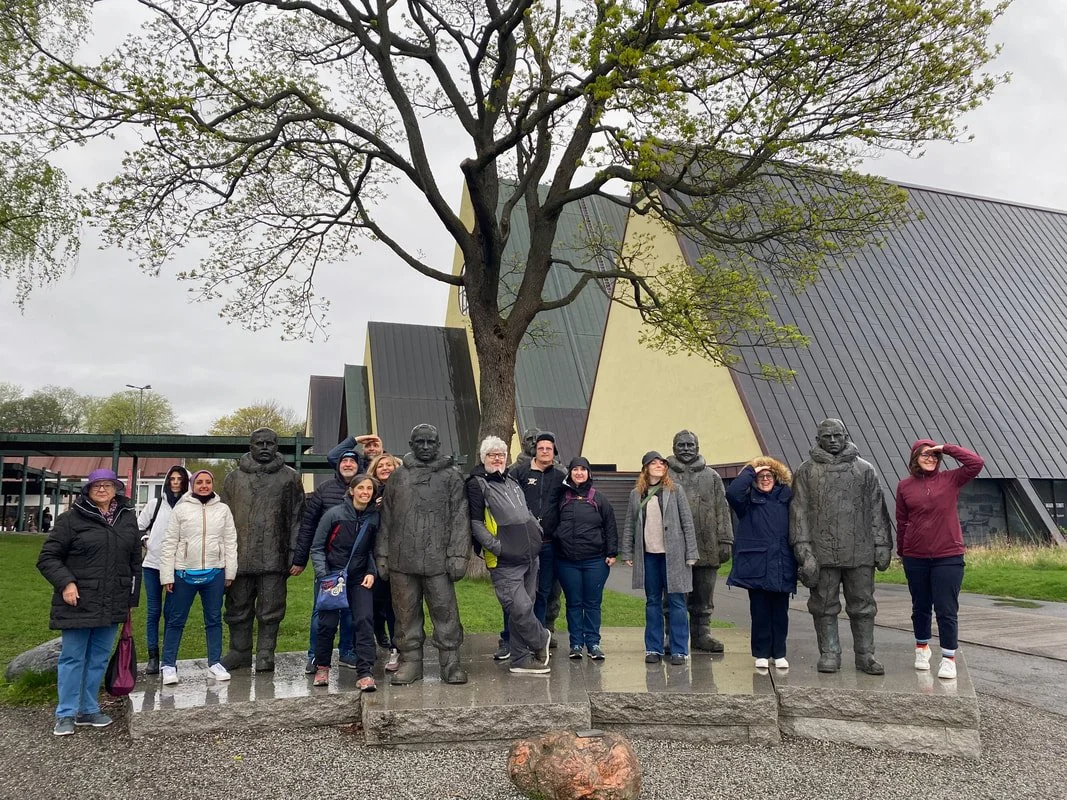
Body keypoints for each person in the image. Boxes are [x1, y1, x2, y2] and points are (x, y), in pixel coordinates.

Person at [37, 469, 142, 736]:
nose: (102, 490)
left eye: (108, 485)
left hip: (113, 600)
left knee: (98, 657)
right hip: (78, 600)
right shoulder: (71, 520)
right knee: (73, 657)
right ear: (88, 490)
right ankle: (66, 712)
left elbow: (134, 563)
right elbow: (48, 558)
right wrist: (66, 583)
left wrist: (131, 598)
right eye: (97, 485)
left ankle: (89, 707)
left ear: (116, 489)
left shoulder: (127, 519)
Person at [790, 418, 893, 675]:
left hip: (860, 550)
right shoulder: (806, 471)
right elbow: (798, 512)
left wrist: (882, 544)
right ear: (818, 440)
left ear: (846, 436)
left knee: (863, 604)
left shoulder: (864, 469)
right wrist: (803, 549)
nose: (833, 440)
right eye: (828, 437)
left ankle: (865, 654)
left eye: (838, 435)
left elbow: (877, 509)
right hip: (822, 552)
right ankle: (829, 653)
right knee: (823, 605)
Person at [376, 424, 471, 685]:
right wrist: (382, 554)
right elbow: (386, 519)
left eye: (431, 442)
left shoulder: (452, 478)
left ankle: (450, 663)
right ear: (411, 444)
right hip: (401, 560)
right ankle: (411, 663)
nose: (426, 447)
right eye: (420, 442)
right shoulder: (397, 477)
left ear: (438, 444)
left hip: (439, 561)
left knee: (445, 611)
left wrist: (459, 555)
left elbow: (461, 518)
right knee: (405, 614)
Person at [896, 440, 984, 680]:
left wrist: (945, 448)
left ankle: (948, 658)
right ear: (914, 458)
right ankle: (922, 648)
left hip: (948, 556)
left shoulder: (951, 479)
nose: (930, 458)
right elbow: (902, 521)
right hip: (915, 556)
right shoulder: (904, 486)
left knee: (946, 609)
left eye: (934, 456)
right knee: (920, 606)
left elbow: (976, 463)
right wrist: (901, 551)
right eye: (925, 454)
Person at [219, 428, 305, 672]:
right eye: (260, 443)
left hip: (274, 556)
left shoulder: (290, 478)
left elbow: (297, 518)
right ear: (251, 446)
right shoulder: (233, 479)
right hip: (239, 556)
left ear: (277, 446)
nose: (265, 447)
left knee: (271, 608)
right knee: (237, 608)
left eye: (270, 443)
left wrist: (294, 553)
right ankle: (239, 651)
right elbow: (222, 519)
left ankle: (266, 653)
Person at [468, 436, 551, 675]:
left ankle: (521, 659)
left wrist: (537, 531)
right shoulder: (477, 483)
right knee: (519, 607)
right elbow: (475, 523)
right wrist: (497, 548)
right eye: (492, 454)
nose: (497, 458)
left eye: (501, 454)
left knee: (525, 607)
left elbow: (525, 512)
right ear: (483, 458)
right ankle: (540, 638)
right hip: (504, 559)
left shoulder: (512, 480)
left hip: (530, 555)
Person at [158, 470, 238, 685]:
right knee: (175, 621)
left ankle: (214, 662)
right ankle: (168, 664)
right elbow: (169, 543)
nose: (204, 485)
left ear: (213, 484)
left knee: (213, 620)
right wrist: (167, 575)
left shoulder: (223, 510)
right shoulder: (181, 509)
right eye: (199, 482)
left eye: (208, 482)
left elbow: (230, 542)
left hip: (214, 573)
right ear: (192, 484)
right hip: (183, 573)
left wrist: (229, 572)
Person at [620, 451, 699, 666]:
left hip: (673, 556)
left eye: (661, 463)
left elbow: (687, 522)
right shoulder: (636, 494)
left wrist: (691, 552)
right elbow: (629, 524)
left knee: (677, 602)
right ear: (645, 468)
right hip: (649, 557)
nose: (658, 466)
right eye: (653, 463)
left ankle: (679, 649)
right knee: (652, 602)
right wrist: (627, 551)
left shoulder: (675, 491)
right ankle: (653, 648)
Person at [291, 449, 362, 674]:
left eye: (353, 461)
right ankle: (315, 655)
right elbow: (309, 527)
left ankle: (347, 651)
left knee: (350, 611)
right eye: (345, 461)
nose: (348, 464)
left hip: (354, 564)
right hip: (329, 564)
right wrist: (302, 559)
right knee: (322, 611)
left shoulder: (365, 489)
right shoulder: (324, 490)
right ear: (338, 465)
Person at [310, 474, 381, 692]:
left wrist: (372, 571)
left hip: (359, 577)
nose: (365, 492)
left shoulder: (374, 518)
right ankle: (322, 665)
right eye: (361, 488)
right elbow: (318, 547)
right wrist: (324, 576)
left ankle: (365, 671)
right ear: (351, 491)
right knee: (328, 623)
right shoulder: (334, 514)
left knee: (364, 621)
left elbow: (372, 548)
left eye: (369, 488)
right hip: (332, 576)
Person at [725, 457, 797, 670]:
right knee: (760, 612)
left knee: (780, 612)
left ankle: (780, 652)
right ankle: (761, 652)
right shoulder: (747, 501)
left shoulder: (787, 498)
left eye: (769, 476)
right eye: (760, 477)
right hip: (756, 563)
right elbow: (732, 492)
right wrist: (752, 469)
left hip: (782, 561)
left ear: (776, 478)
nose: (765, 479)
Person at [667, 429, 733, 653]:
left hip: (706, 545)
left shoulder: (711, 476)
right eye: (681, 445)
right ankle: (673, 636)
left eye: (690, 445)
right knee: (674, 596)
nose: (686, 449)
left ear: (698, 447)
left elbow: (722, 509)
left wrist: (726, 540)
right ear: (673, 447)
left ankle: (702, 634)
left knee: (703, 595)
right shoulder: (665, 475)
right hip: (674, 547)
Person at [546, 457, 617, 660]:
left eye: (583, 470)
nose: (579, 473)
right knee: (574, 603)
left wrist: (611, 552)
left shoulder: (599, 499)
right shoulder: (561, 498)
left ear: (588, 473)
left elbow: (610, 526)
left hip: (595, 561)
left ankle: (593, 643)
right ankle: (576, 643)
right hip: (567, 561)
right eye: (575, 469)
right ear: (569, 473)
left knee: (592, 603)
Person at [508, 431, 566, 650]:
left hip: (550, 543)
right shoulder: (519, 472)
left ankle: (541, 633)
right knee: (517, 591)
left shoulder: (561, 475)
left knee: (545, 590)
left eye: (548, 449)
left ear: (553, 451)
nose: (543, 451)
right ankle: (510, 637)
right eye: (539, 447)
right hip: (523, 542)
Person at [137, 465, 190, 675]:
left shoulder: (188, 506)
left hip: (176, 567)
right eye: (172, 479)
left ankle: (169, 658)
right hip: (152, 565)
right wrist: (146, 540)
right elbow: (139, 526)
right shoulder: (155, 504)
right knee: (153, 612)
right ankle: (153, 655)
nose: (175, 482)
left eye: (179, 479)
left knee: (171, 613)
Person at [367, 453, 403, 672]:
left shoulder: (402, 490)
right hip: (372, 553)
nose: (385, 468)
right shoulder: (370, 490)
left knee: (394, 605)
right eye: (381, 465)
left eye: (389, 465)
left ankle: (396, 647)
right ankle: (373, 640)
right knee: (372, 603)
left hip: (396, 553)